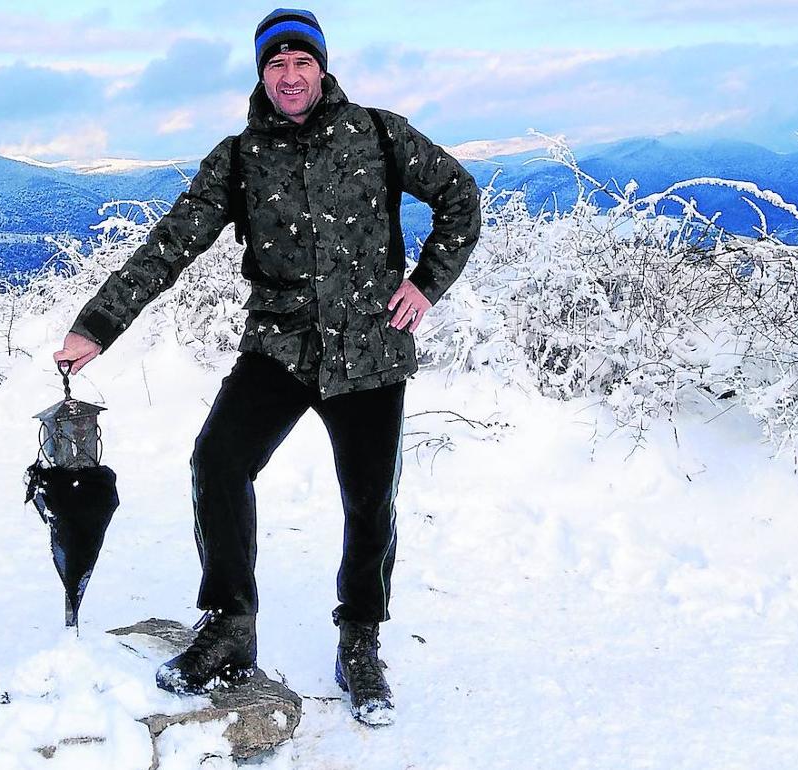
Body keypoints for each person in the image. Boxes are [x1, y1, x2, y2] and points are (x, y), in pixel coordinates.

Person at [52, 8, 480, 726]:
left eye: (301, 63)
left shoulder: (378, 133)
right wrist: (97, 325)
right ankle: (229, 626)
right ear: (261, 74)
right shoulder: (240, 157)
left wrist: (425, 284)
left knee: (368, 499)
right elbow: (170, 244)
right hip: (278, 346)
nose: (289, 76)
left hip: (370, 349)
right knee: (218, 461)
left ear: (322, 67)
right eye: (275, 65)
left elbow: (461, 199)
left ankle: (360, 639)